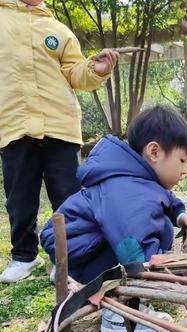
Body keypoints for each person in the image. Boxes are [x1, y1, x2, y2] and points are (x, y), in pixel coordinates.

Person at [40, 105, 187, 332]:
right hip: (75, 246)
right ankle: (119, 314)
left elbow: (166, 199)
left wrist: (180, 215)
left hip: (83, 244)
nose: (185, 170)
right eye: (182, 160)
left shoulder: (139, 177)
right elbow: (133, 244)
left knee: (147, 230)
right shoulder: (126, 189)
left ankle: (74, 273)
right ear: (154, 152)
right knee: (129, 252)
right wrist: (156, 272)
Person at [0, 0, 119, 283]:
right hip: (14, 124)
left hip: (60, 126)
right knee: (19, 198)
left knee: (68, 197)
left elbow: (76, 74)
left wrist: (96, 69)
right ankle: (24, 256)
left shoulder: (59, 30)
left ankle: (66, 258)